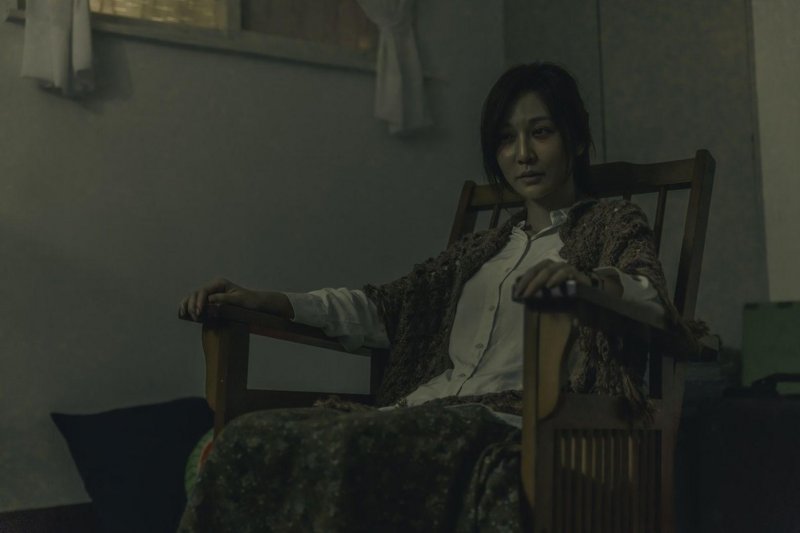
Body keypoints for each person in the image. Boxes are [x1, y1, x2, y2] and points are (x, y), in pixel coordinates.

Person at [176, 63, 683, 532]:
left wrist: (587, 283)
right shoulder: (478, 252)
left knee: (350, 446)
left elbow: (653, 301)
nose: (523, 154)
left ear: (577, 138)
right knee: (246, 439)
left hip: (515, 418)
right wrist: (270, 300)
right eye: (506, 139)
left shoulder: (611, 223)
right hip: (425, 411)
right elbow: (383, 307)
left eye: (541, 132)